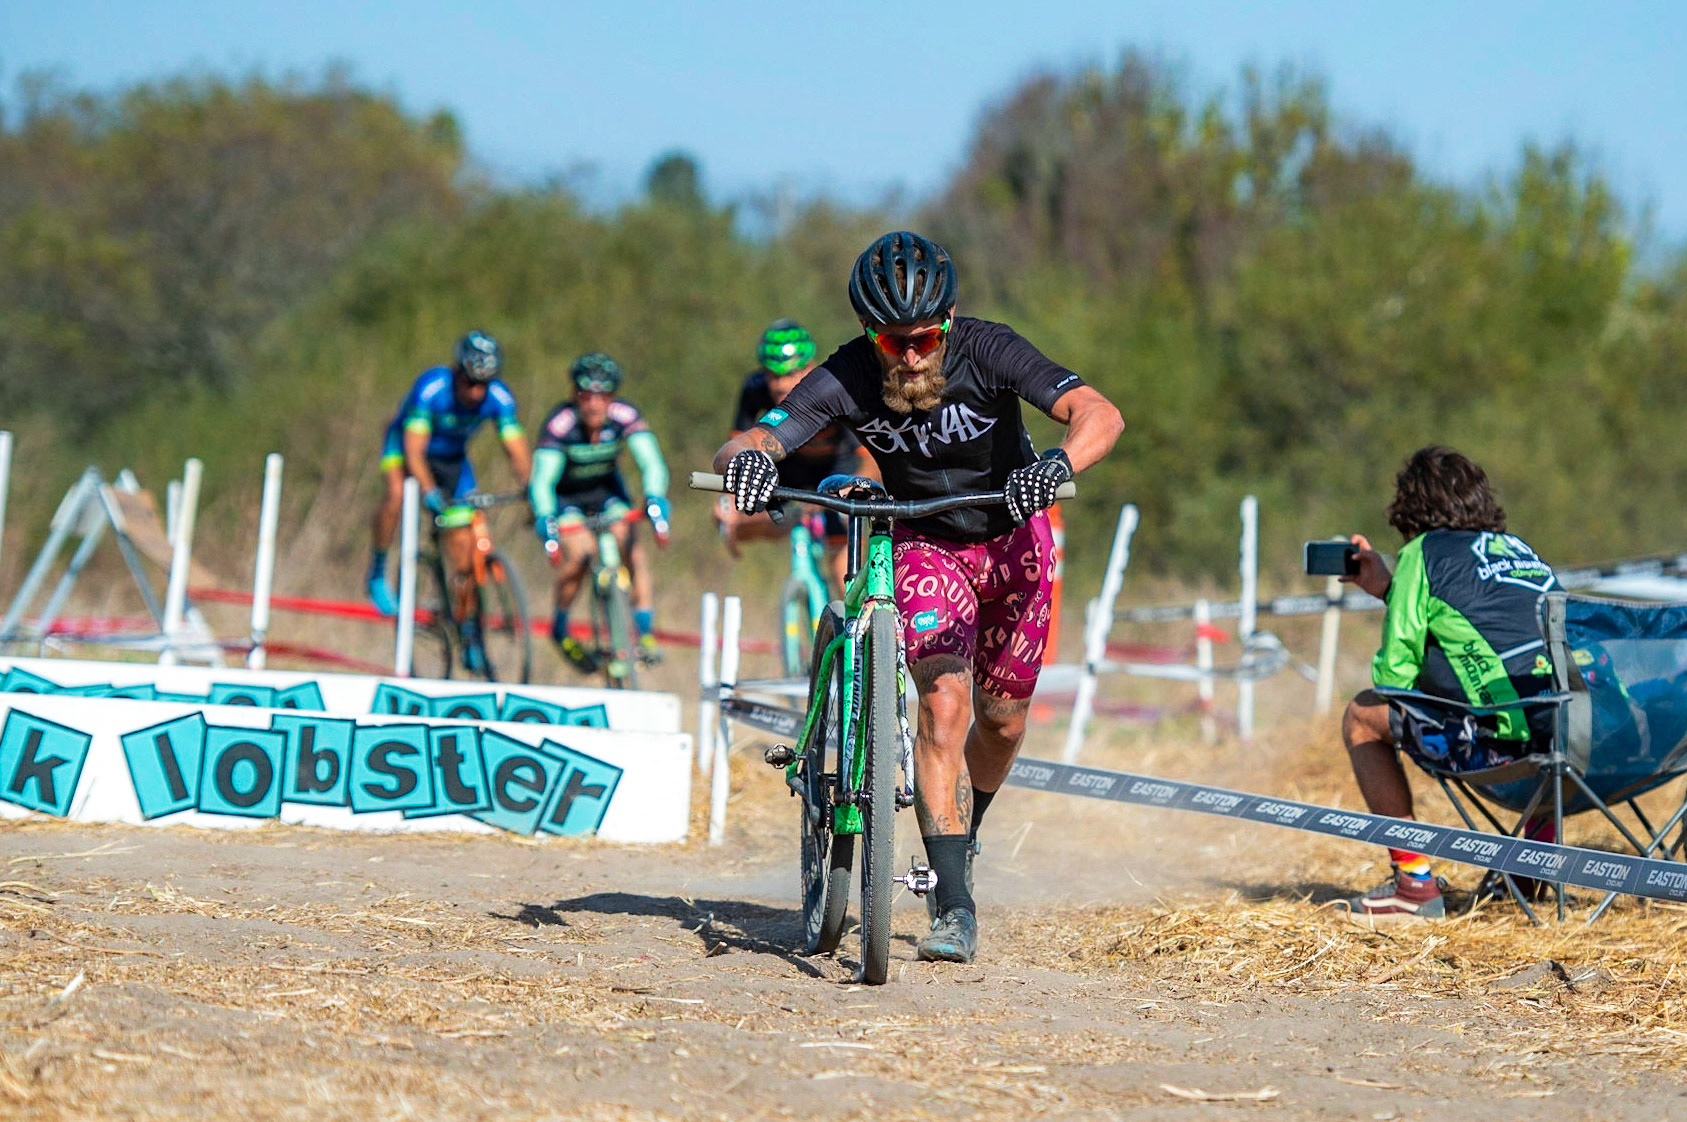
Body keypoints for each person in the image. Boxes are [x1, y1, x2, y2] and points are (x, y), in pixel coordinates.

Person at [711, 230, 1124, 964]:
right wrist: (748, 463)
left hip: (1012, 536)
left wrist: (1057, 463)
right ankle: (954, 905)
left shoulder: (990, 349)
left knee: (1002, 722)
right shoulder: (846, 372)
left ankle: (966, 830)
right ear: (866, 331)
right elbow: (756, 438)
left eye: (925, 339)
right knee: (943, 705)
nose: (909, 356)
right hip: (923, 542)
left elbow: (1100, 412)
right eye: (891, 341)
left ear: (950, 320)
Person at [1337, 445, 1559, 926]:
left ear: (1410, 507)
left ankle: (1413, 883)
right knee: (1538, 708)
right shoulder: (1522, 551)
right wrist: (1391, 590)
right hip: (1569, 745)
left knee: (1361, 715)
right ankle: (1529, 869)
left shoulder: (1422, 553)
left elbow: (1393, 679)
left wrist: (1404, 594)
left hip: (1501, 750)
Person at [367, 331, 531, 669]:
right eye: (470, 383)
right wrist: (429, 492)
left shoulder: (499, 398)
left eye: (484, 385)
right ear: (457, 372)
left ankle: (468, 632)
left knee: (464, 547)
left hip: (453, 461)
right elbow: (414, 453)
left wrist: (532, 489)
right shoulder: (432, 389)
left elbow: (515, 450)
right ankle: (378, 570)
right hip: (407, 450)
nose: (476, 392)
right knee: (396, 495)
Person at [530, 353, 671, 673]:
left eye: (603, 396)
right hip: (567, 498)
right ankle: (560, 625)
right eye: (585, 395)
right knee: (581, 553)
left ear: (613, 397)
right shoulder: (560, 424)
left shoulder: (625, 415)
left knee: (630, 544)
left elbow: (652, 462)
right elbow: (542, 480)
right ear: (574, 395)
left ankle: (645, 631)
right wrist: (545, 516)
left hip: (607, 493)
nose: (594, 404)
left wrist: (655, 497)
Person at [713, 318, 874, 590]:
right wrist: (728, 505)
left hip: (836, 467)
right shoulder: (754, 388)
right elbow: (738, 446)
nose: (780, 385)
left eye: (790, 374)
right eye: (772, 376)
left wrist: (855, 489)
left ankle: (850, 608)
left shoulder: (831, 387)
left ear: (810, 367)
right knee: (734, 517)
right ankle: (791, 523)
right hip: (788, 466)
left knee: (842, 555)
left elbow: (868, 458)